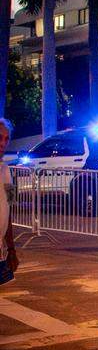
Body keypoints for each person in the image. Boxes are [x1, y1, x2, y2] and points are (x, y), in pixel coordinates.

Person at [0, 119, 18, 287]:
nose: (3, 144)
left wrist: (11, 249)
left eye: (6, 139)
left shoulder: (6, 171)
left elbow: (9, 208)